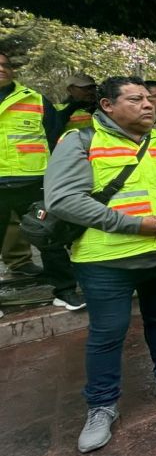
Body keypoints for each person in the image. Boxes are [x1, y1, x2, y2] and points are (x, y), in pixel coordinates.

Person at [45, 77, 156, 453]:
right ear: (107, 105)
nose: (148, 105)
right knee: (108, 333)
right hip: (107, 260)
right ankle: (101, 405)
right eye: (135, 99)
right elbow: (63, 199)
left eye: (150, 99)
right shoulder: (81, 141)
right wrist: (136, 225)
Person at [0, 52, 82, 309]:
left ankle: (65, 291)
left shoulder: (35, 100)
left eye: (5, 64)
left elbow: (53, 137)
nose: (2, 68)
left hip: (33, 183)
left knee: (50, 236)